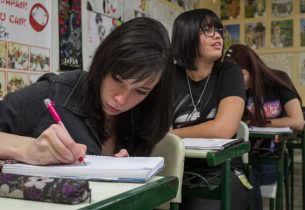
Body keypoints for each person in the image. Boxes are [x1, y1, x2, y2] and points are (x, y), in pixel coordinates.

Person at [0, 17, 174, 166]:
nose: (121, 99)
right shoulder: (55, 93)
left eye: (141, 91)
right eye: (117, 79)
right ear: (103, 63)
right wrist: (28, 148)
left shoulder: (147, 117)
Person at [171, 9, 249, 210]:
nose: (217, 35)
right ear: (186, 34)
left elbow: (223, 129)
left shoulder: (229, 72)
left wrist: (171, 134)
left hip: (221, 170)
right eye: (207, 29)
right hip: (176, 168)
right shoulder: (168, 75)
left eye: (219, 30)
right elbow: (153, 128)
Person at [223, 43, 304, 210]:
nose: (236, 81)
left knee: (249, 173)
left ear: (253, 68)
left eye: (241, 75)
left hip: (274, 159)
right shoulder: (236, 89)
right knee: (239, 172)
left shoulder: (279, 79)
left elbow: (298, 121)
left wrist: (259, 122)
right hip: (244, 157)